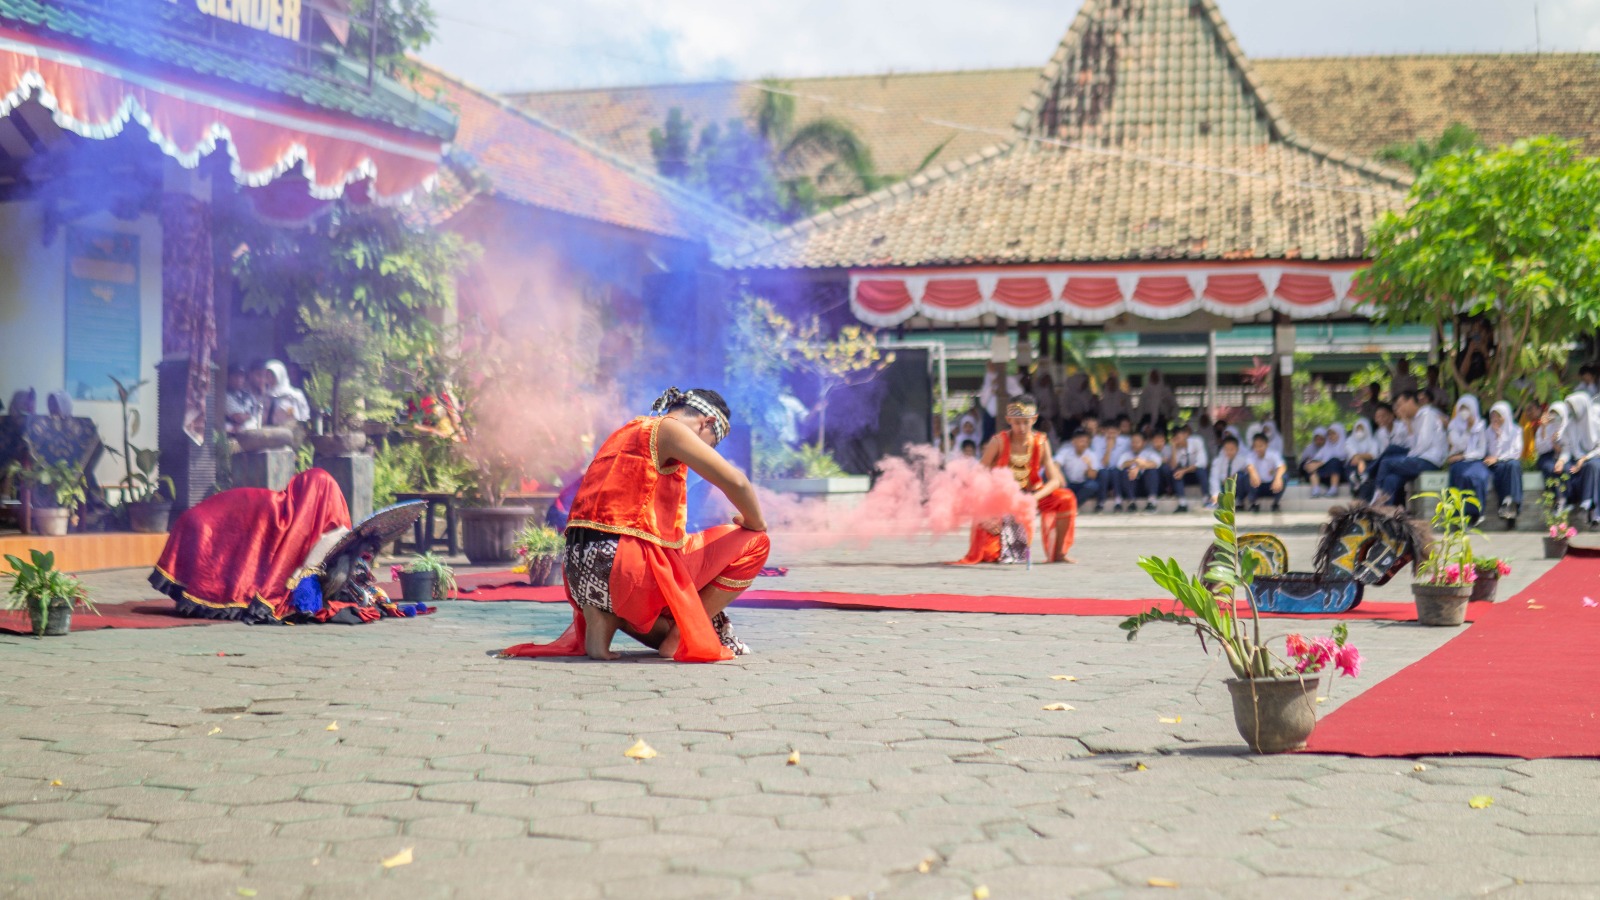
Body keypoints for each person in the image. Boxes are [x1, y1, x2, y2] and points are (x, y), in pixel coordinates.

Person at [501, 388, 770, 663]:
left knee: (673, 577)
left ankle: (604, 618)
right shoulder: (671, 430)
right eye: (711, 444)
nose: (707, 451)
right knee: (757, 542)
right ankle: (680, 638)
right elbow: (737, 483)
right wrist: (756, 522)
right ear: (707, 422)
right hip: (623, 567)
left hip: (580, 576)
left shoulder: (628, 429)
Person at [957, 394, 1079, 564]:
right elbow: (977, 476)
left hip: (1032, 495)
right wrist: (985, 514)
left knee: (1066, 499)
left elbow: (1055, 481)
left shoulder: (1041, 442)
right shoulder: (998, 442)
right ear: (1009, 420)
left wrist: (1033, 499)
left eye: (1026, 422)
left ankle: (1058, 553)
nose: (1021, 427)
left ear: (1034, 419)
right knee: (990, 556)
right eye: (1017, 422)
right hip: (1001, 501)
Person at [1371, 390, 1448, 508]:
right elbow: (1413, 445)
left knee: (1387, 463)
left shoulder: (1427, 415)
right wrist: (1407, 423)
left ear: (1411, 401)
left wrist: (1407, 458)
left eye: (1400, 404)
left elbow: (1424, 444)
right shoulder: (1413, 419)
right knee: (1391, 479)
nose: (1399, 409)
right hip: (1419, 459)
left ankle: (1377, 495)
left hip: (1430, 461)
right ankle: (1385, 510)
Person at [1445, 395, 1491, 525]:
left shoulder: (1481, 425)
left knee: (1479, 476)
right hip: (1458, 462)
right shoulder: (1453, 425)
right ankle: (1460, 515)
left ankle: (1477, 512)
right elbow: (1459, 445)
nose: (1464, 412)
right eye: (1462, 408)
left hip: (1474, 460)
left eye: (1467, 408)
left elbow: (1481, 450)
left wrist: (1465, 456)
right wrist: (1468, 430)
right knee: (1462, 476)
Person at [1558, 391, 1600, 527]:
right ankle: (1565, 503)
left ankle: (1587, 504)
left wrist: (1585, 458)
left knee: (1592, 466)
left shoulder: (1596, 422)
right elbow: (1567, 448)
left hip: (1594, 457)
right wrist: (1561, 460)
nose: (1571, 410)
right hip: (1576, 460)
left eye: (1573, 406)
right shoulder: (1570, 425)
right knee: (1564, 469)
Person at [1485, 401, 1524, 526]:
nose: (1495, 419)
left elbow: (1516, 452)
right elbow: (1489, 453)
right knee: (1502, 468)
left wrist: (1499, 458)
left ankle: (1509, 503)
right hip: (1497, 465)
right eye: (1493, 416)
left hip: (1509, 461)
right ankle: (1508, 504)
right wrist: (1497, 437)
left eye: (1498, 415)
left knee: (1513, 465)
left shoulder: (1516, 430)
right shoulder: (1488, 432)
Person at [1054, 428, 1102, 508]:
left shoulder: (1091, 454)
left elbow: (1093, 476)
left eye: (1086, 442)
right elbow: (1055, 465)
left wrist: (1089, 465)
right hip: (1068, 483)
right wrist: (1061, 478)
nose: (1084, 444)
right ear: (1074, 442)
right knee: (1055, 479)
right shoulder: (1066, 451)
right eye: (1081, 441)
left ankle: (1073, 506)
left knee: (1093, 485)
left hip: (1082, 484)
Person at [1117, 432, 1164, 513]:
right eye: (1133, 442)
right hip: (1133, 487)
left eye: (1137, 442)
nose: (1134, 444)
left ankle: (1152, 502)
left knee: (1152, 471)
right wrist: (1134, 461)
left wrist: (1138, 467)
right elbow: (1120, 465)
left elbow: (1156, 463)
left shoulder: (1150, 453)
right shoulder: (1127, 454)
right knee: (1126, 471)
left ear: (1144, 442)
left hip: (1148, 486)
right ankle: (1131, 503)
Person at [256, 359, 311, 428]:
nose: (269, 379)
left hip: (290, 430)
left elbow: (301, 416)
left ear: (280, 375)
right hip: (270, 431)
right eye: (267, 376)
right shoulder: (266, 396)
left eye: (272, 376)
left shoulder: (294, 395)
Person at [1166, 424, 1207, 513]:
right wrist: (1173, 448)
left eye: (1179, 437)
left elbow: (1202, 462)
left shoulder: (1197, 441)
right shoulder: (1175, 448)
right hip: (1185, 476)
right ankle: (1182, 503)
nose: (1178, 440)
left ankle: (1206, 499)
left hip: (1197, 473)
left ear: (1185, 435)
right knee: (1175, 472)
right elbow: (1173, 466)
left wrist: (1184, 471)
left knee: (1201, 470)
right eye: (1175, 438)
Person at [1241, 432, 1287, 512]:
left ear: (1266, 445)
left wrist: (1277, 478)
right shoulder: (1250, 455)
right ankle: (1254, 504)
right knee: (1246, 477)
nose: (1258, 449)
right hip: (1257, 486)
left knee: (1284, 477)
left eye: (1260, 446)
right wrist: (1253, 473)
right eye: (1255, 446)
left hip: (1272, 486)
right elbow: (1249, 466)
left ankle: (1275, 504)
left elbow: (1282, 466)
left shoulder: (1274, 454)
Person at [978, 363, 1024, 441]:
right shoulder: (988, 379)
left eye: (993, 365)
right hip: (990, 415)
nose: (991, 368)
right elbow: (983, 402)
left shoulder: (1009, 379)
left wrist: (1005, 391)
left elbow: (1020, 392)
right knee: (989, 438)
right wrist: (992, 388)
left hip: (1006, 413)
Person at [1206, 435, 1248, 509]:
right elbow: (1214, 478)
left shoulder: (1243, 460)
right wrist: (1216, 494)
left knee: (1240, 476)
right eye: (1227, 449)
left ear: (1237, 449)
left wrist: (1232, 478)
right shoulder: (1218, 461)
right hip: (1223, 487)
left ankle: (1239, 501)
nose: (1229, 452)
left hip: (1236, 489)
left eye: (1232, 449)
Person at [1310, 424, 1349, 498]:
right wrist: (1311, 464)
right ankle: (1315, 490)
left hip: (1341, 475)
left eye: (1333, 434)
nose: (1331, 436)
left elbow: (1340, 457)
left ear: (1340, 433)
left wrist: (1320, 463)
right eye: (1329, 434)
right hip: (1327, 475)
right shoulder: (1326, 447)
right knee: (1312, 466)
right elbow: (1316, 458)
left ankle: (1333, 489)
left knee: (1334, 461)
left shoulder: (1346, 445)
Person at [1535, 401, 1567, 482]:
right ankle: (1554, 489)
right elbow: (1541, 449)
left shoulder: (1567, 428)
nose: (1554, 416)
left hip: (1564, 456)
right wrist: (1543, 428)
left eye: (1557, 413)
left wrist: (1554, 443)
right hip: (1547, 457)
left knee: (1566, 469)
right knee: (1550, 468)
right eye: (1552, 413)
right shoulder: (1545, 427)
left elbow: (1567, 450)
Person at [1344, 419, 1380, 492]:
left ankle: (1362, 482)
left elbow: (1373, 455)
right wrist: (1360, 461)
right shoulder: (1350, 440)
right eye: (1357, 429)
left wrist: (1360, 458)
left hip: (1369, 462)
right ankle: (1355, 485)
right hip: (1353, 463)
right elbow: (1352, 453)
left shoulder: (1373, 441)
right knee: (1351, 466)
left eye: (1361, 429)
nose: (1359, 431)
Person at [224, 364, 261, 435]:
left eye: (241, 376)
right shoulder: (225, 395)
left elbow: (257, 414)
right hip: (231, 434)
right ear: (228, 378)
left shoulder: (248, 395)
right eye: (235, 376)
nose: (239, 379)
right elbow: (238, 418)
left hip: (247, 431)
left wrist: (247, 416)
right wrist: (249, 416)